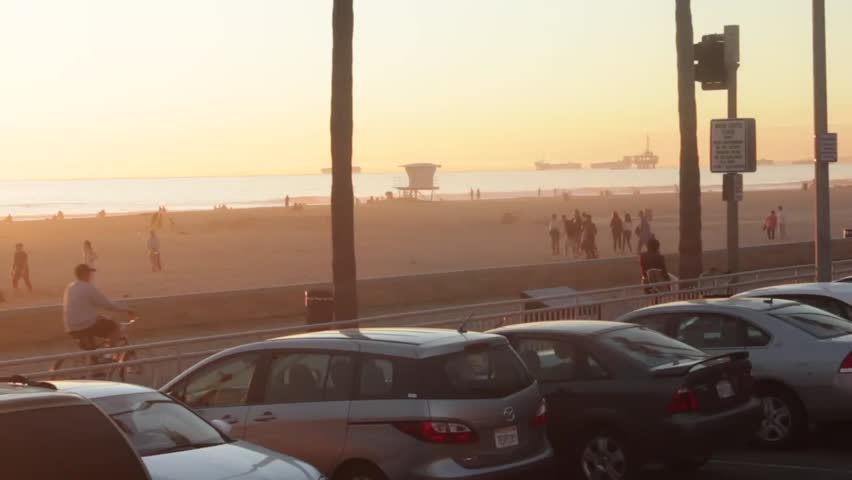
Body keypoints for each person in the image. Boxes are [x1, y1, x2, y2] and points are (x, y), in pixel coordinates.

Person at [63, 264, 135, 346]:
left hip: (71, 327)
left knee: (101, 321)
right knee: (115, 328)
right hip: (84, 326)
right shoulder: (88, 287)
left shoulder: (70, 287)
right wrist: (126, 309)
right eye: (89, 273)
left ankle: (98, 355)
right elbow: (107, 304)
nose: (91, 276)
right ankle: (110, 355)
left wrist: (97, 316)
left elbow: (81, 308)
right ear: (85, 274)